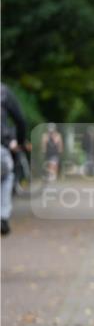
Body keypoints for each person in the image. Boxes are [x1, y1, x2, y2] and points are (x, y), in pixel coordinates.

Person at [1, 83, 27, 236]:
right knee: (6, 176)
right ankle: (3, 217)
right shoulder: (4, 91)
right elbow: (21, 121)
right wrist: (20, 142)